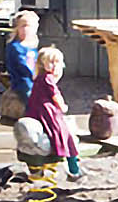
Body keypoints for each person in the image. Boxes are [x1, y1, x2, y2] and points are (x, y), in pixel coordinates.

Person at [25, 45, 85, 183]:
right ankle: (74, 169)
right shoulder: (47, 78)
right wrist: (63, 107)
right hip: (47, 112)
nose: (54, 66)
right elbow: (55, 96)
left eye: (57, 62)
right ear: (42, 64)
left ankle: (38, 170)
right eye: (51, 62)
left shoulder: (39, 78)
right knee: (65, 135)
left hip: (36, 111)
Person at [1, 11, 40, 123]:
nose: (26, 29)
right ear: (17, 28)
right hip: (22, 82)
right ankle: (32, 118)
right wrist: (36, 74)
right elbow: (23, 67)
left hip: (34, 81)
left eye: (29, 26)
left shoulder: (31, 47)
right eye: (23, 26)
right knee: (32, 99)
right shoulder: (15, 47)